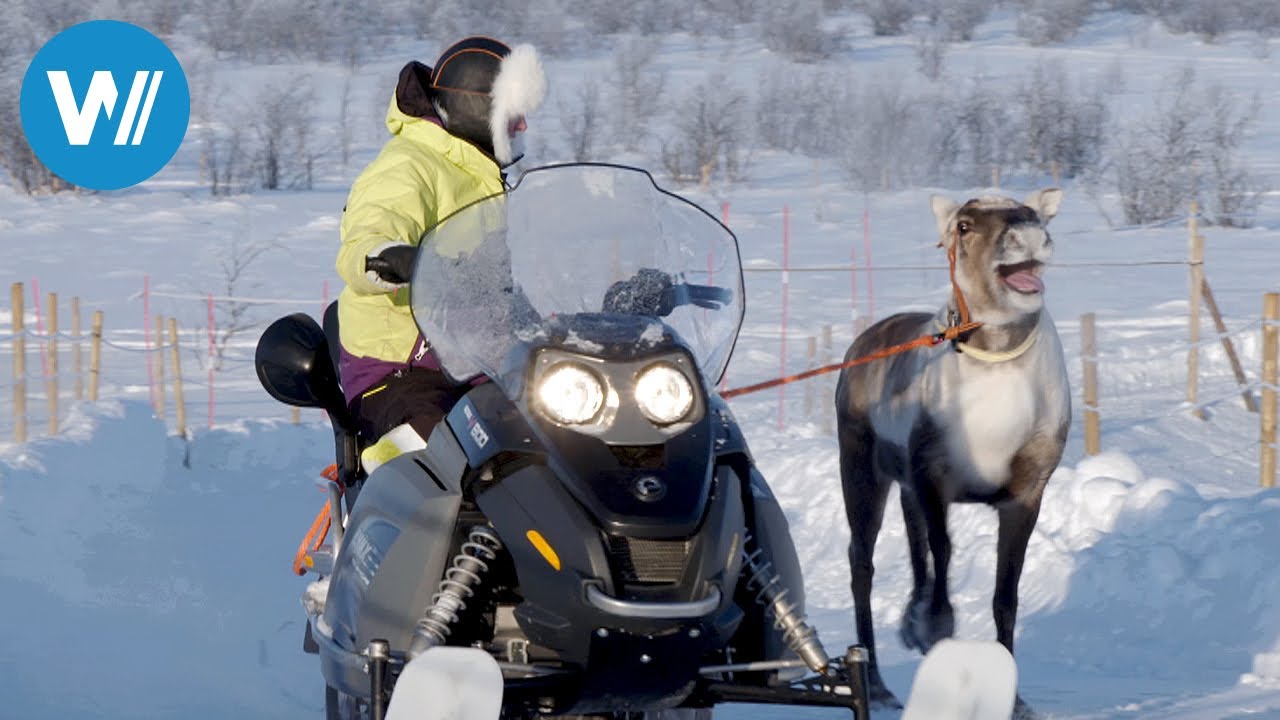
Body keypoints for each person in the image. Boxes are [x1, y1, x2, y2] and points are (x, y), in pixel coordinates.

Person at [334, 36, 546, 472]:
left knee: (568, 438)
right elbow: (364, 242)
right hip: (401, 371)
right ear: (476, 107)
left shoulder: (478, 171)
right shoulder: (408, 166)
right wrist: (390, 258)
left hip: (476, 361)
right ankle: (387, 471)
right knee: (451, 457)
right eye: (513, 113)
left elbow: (488, 279)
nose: (522, 126)